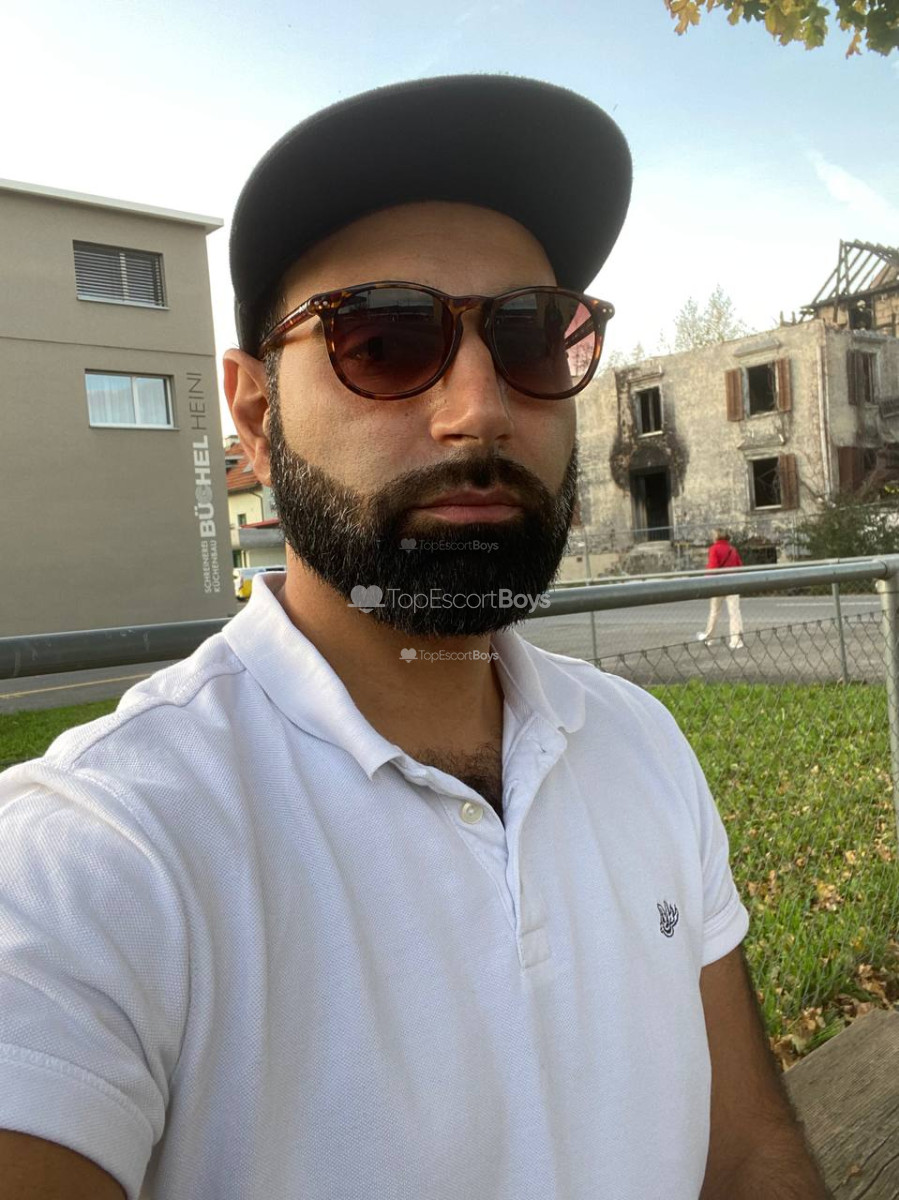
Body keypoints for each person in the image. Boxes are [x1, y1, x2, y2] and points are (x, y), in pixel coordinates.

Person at [0, 77, 828, 1200]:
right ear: (254, 412)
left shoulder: (641, 747)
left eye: (530, 338)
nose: (480, 408)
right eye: (384, 340)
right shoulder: (93, 864)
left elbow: (747, 1154)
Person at [697, 528, 745, 649]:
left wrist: (707, 582)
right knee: (734, 612)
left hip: (718, 584)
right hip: (732, 584)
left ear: (716, 537)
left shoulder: (714, 549)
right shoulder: (732, 549)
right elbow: (740, 566)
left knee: (714, 612)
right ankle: (736, 640)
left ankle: (709, 638)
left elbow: (712, 568)